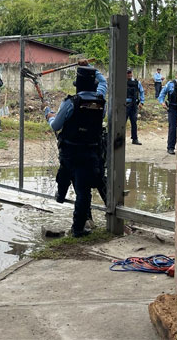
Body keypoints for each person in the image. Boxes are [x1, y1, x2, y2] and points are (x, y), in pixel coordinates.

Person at [44, 65, 107, 237]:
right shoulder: (101, 102)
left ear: (77, 85)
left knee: (65, 171)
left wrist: (49, 116)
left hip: (70, 151)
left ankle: (61, 194)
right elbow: (104, 83)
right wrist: (93, 69)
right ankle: (78, 228)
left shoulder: (70, 102)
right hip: (91, 152)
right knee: (83, 191)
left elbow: (56, 125)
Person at [158, 79, 177, 155]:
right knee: (173, 128)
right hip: (172, 108)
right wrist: (162, 102)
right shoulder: (170, 84)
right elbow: (162, 94)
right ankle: (170, 147)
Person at [126, 68, 145, 145]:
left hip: (134, 104)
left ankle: (135, 139)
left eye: (130, 72)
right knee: (122, 123)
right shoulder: (121, 82)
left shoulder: (137, 82)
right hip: (125, 105)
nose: (129, 74)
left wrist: (142, 102)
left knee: (134, 122)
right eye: (128, 73)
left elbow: (141, 92)